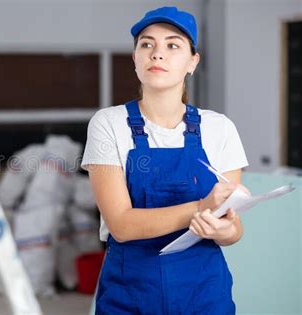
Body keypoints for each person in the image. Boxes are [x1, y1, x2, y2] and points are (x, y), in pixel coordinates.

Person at [81, 6, 250, 314]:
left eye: (173, 45)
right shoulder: (108, 124)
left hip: (204, 293)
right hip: (130, 293)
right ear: (135, 58)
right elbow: (121, 224)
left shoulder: (220, 128)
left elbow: (232, 228)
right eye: (147, 44)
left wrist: (223, 230)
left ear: (192, 61)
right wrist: (201, 208)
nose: (157, 54)